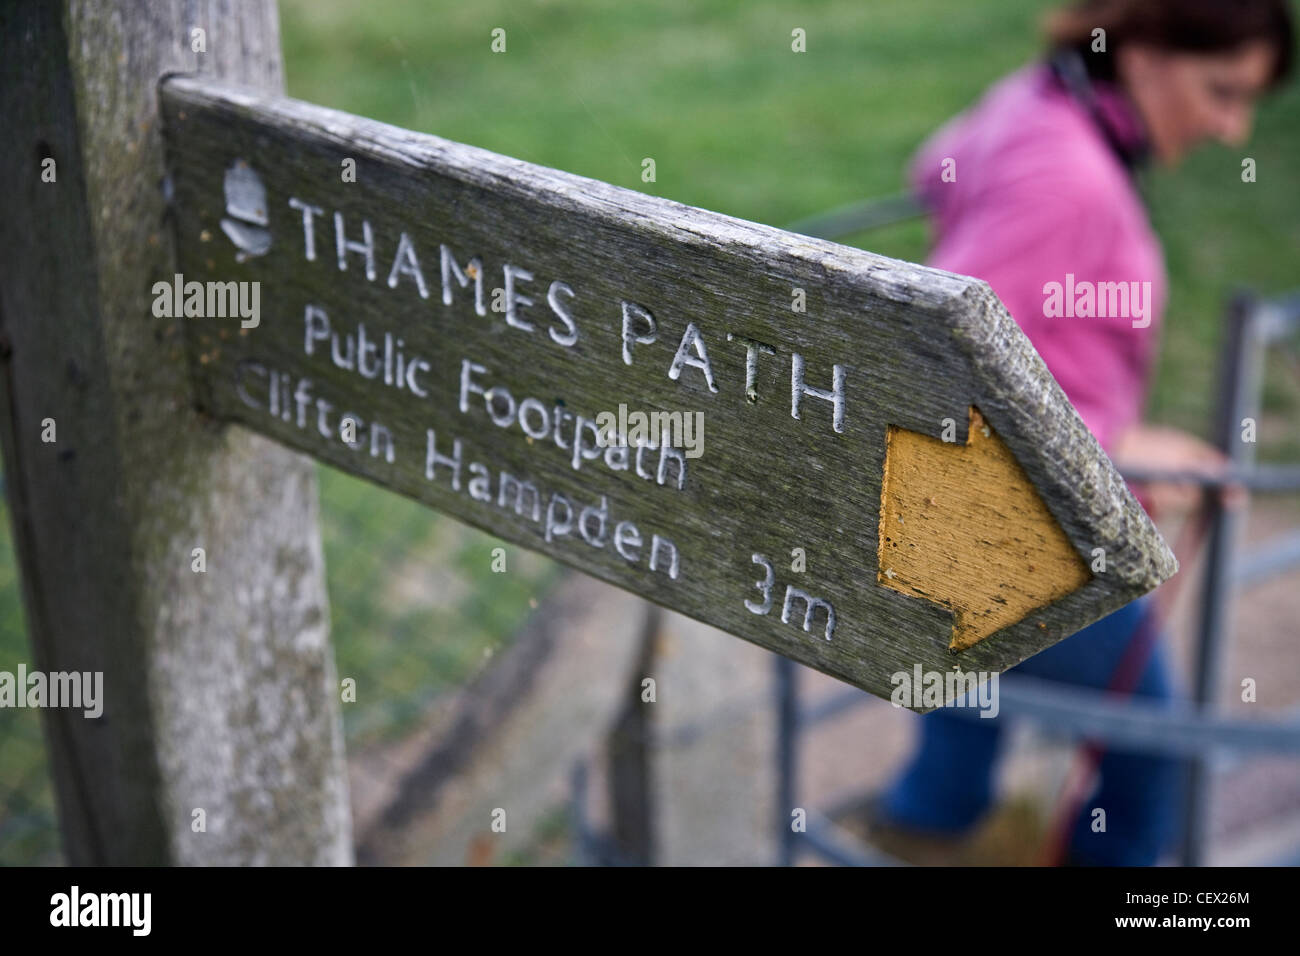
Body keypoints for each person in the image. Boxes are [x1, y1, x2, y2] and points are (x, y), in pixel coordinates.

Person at [874, 0, 1294, 866]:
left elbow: (937, 168)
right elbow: (934, 357)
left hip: (948, 519)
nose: (1232, 129)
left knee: (971, 691)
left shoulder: (1034, 102)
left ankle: (918, 831)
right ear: (1140, 56)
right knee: (1156, 754)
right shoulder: (1069, 176)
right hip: (1018, 524)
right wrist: (1118, 451)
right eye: (1220, 92)